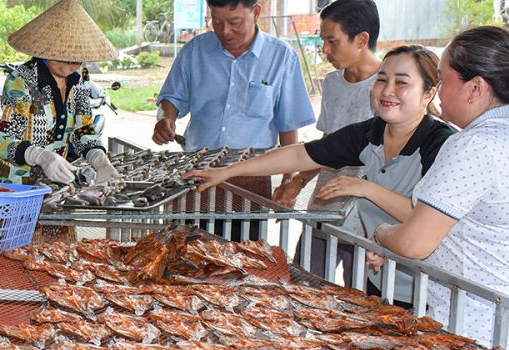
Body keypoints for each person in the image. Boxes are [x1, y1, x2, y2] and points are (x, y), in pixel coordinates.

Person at [184, 46, 455, 306]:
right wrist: (228, 171)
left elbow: (427, 218)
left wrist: (366, 188)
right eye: (382, 79)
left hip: (431, 289)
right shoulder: (369, 133)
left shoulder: (443, 145)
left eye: (402, 83)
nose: (388, 90)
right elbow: (302, 155)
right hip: (381, 275)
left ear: (429, 93)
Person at [373, 26, 509, 350]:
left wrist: (381, 233)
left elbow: (413, 243)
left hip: (469, 331)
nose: (439, 90)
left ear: (475, 88)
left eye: (444, 80)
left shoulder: (474, 145)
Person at [153, 0, 315, 240]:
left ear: (256, 13)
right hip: (196, 177)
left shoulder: (281, 58)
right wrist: (165, 119)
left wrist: (288, 180)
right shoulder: (195, 51)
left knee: (241, 263)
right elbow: (171, 98)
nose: (225, 31)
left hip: (250, 183)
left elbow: (288, 125)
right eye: (217, 23)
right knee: (183, 254)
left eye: (235, 23)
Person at [274, 0, 382, 280]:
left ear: (361, 39)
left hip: (367, 218)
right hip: (324, 206)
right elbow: (326, 144)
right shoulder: (333, 83)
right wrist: (298, 181)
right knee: (302, 284)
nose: (325, 50)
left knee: (357, 300)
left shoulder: (389, 86)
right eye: (323, 41)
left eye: (332, 41)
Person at [0, 0, 120, 185]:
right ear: (46, 50)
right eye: (63, 58)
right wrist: (39, 156)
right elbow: (5, 141)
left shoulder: (80, 78)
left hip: (59, 181)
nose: (71, 66)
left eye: (76, 60)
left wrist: (99, 159)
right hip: (18, 183)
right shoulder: (22, 80)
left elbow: (83, 127)